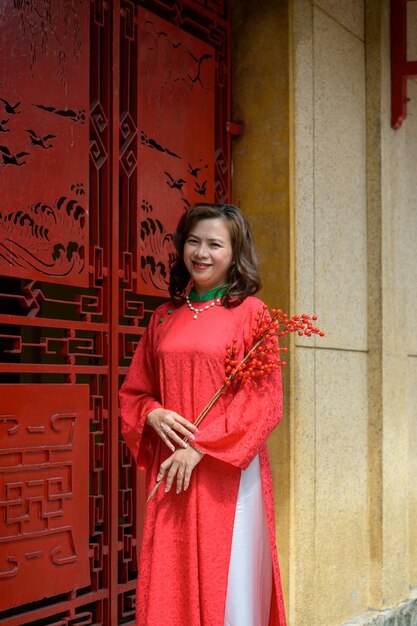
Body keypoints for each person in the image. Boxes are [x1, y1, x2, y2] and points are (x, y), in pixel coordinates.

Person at [119, 203, 287, 626]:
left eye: (215, 244)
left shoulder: (252, 314)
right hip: (171, 469)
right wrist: (153, 414)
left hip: (224, 469)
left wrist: (200, 448)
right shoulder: (163, 317)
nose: (201, 253)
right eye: (194, 241)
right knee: (171, 575)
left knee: (226, 580)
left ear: (234, 253)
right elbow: (136, 391)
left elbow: (264, 402)